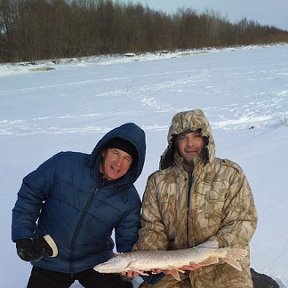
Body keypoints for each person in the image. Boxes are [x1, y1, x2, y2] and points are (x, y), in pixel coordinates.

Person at [132, 109, 257, 288]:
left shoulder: (230, 174)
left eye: (196, 136)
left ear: (206, 138)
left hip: (221, 269)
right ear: (174, 142)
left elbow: (243, 221)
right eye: (183, 137)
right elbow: (152, 228)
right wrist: (156, 261)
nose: (190, 143)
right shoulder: (158, 181)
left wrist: (211, 248)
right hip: (175, 272)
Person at [12, 122, 146, 288]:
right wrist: (23, 236)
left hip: (96, 262)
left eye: (127, 158)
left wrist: (131, 265)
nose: (119, 163)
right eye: (115, 153)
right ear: (104, 151)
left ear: (133, 165)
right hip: (51, 258)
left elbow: (128, 242)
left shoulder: (130, 199)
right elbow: (30, 193)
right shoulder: (65, 164)